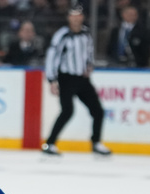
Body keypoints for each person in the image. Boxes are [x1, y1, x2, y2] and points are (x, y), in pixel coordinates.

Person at [42, 6, 110, 156]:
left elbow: (89, 52)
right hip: (66, 78)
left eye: (78, 15)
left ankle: (96, 143)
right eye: (72, 16)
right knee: (67, 111)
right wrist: (52, 79)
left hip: (82, 78)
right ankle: (50, 143)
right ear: (68, 18)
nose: (76, 19)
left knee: (98, 111)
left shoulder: (86, 34)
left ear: (82, 17)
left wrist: (89, 65)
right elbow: (52, 57)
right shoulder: (62, 35)